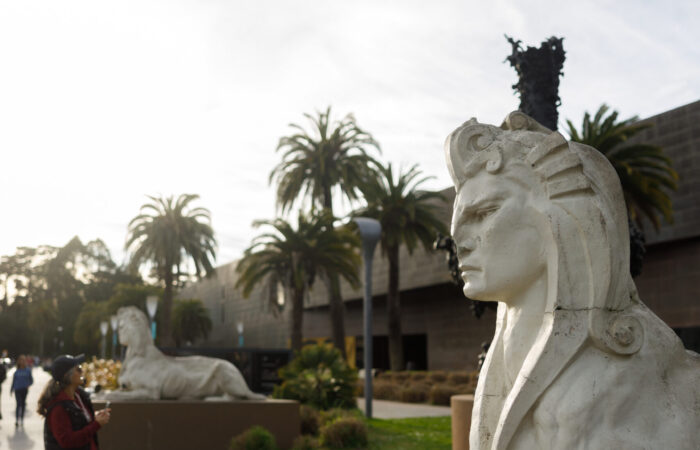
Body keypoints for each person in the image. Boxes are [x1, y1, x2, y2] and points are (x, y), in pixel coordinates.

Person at [445, 112, 700, 449]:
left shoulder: (627, 371)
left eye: (484, 213)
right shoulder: (505, 354)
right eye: (458, 224)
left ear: (559, 215)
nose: (459, 240)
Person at [38, 354, 111, 450]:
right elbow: (68, 442)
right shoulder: (58, 407)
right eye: (79, 369)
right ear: (67, 376)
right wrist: (96, 424)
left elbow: (77, 421)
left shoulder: (79, 396)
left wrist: (94, 417)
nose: (82, 372)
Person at [10, 354, 33, 427]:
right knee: (18, 404)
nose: (22, 361)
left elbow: (31, 380)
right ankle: (17, 420)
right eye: (21, 360)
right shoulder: (16, 371)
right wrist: (11, 389)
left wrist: (28, 385)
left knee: (23, 404)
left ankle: (22, 420)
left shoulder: (28, 370)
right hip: (17, 389)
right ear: (19, 361)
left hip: (24, 390)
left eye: (23, 360)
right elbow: (13, 381)